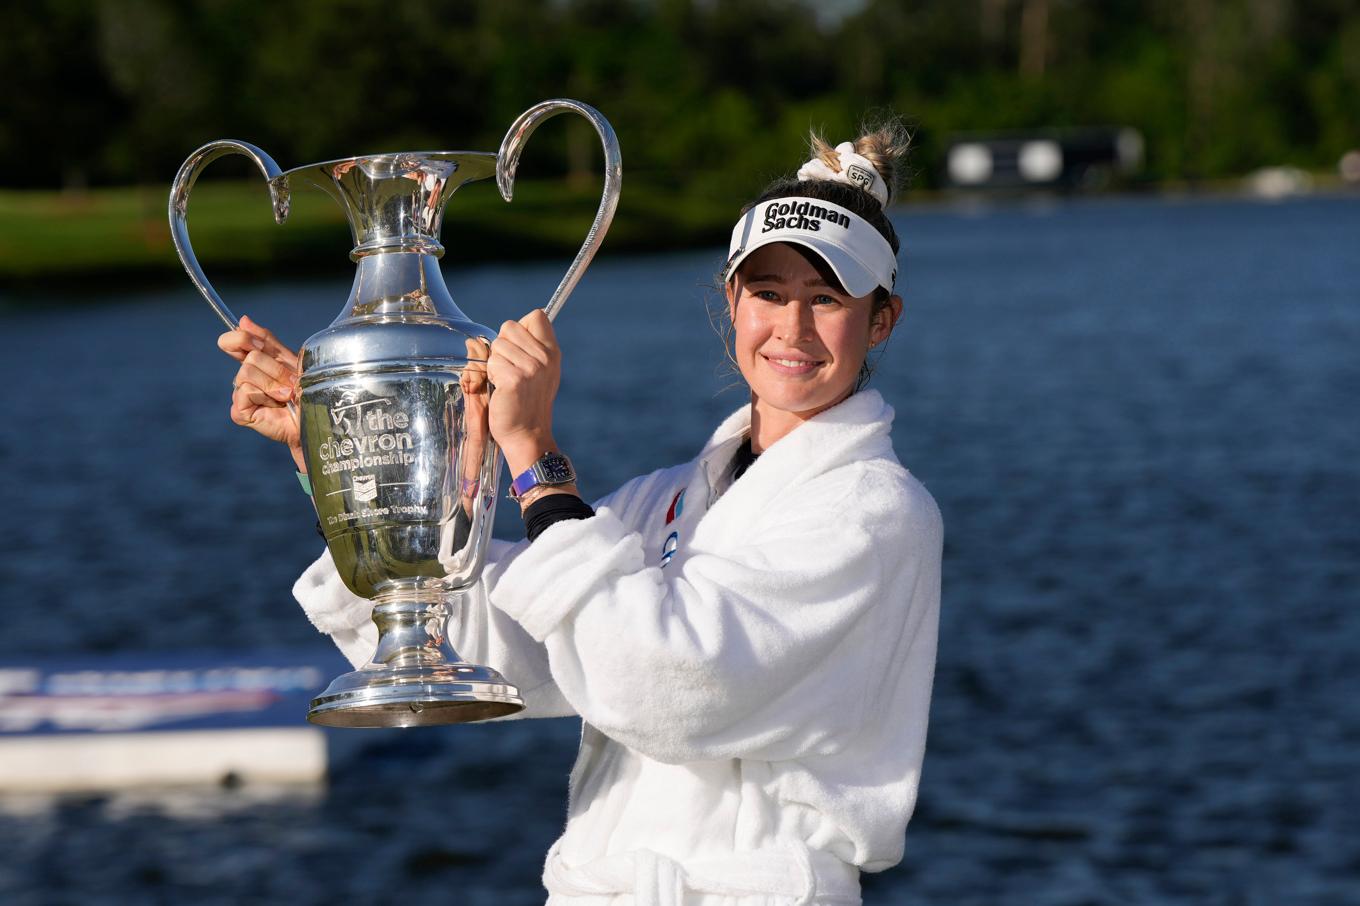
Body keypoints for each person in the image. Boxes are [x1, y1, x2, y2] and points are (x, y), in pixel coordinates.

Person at [219, 123, 942, 906]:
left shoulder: (877, 511)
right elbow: (496, 647)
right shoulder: (666, 499)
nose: (791, 329)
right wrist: (345, 458)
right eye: (768, 293)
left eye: (826, 298)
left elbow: (669, 687)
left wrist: (532, 456)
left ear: (882, 321)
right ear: (733, 300)